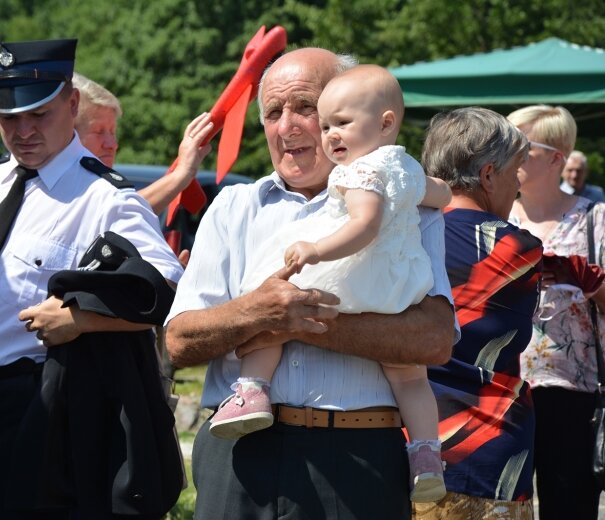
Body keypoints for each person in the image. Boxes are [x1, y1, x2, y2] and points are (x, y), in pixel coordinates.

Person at [164, 48, 458, 520]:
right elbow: (178, 341)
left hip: (360, 458)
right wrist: (257, 312)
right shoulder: (233, 206)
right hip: (239, 456)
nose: (288, 126)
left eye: (306, 107)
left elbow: (434, 338)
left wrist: (300, 320)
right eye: (273, 113)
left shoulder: (406, 203)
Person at [0, 39, 183, 519]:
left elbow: (164, 291)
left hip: (37, 408)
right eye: (9, 118)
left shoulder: (105, 198)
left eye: (39, 115)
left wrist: (81, 318)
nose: (23, 131)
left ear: (72, 104)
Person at [412, 107, 542, 519]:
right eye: (515, 171)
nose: (518, 185)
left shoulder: (399, 233)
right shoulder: (518, 249)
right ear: (488, 175)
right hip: (489, 449)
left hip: (406, 447)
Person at [507, 104, 605, 519]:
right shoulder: (494, 216)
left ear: (556, 158)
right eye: (502, 145)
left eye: (520, 147)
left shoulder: (593, 218)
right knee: (500, 506)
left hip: (572, 390)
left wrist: (586, 280)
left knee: (569, 505)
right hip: (499, 389)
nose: (506, 156)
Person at [72, 72, 213, 215]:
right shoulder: (61, 188)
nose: (112, 144)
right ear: (67, 133)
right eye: (99, 131)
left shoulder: (101, 187)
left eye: (113, 132)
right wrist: (182, 173)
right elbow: (121, 213)